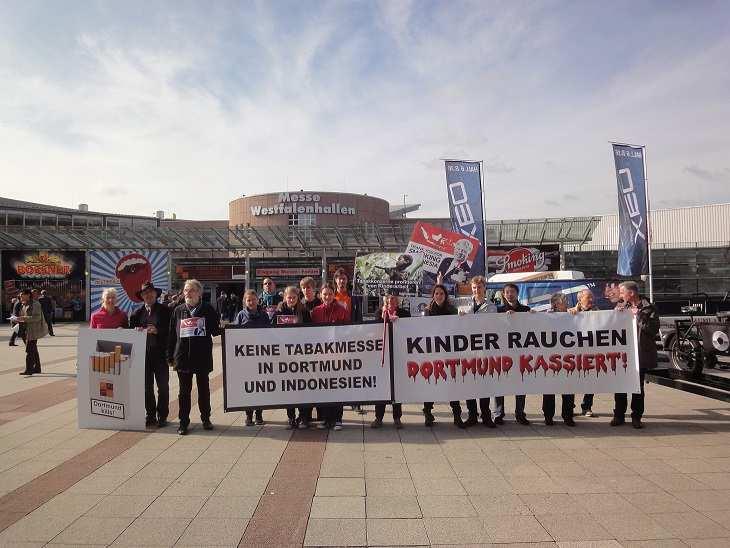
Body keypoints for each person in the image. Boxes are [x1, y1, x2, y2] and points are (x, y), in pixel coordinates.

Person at [168, 279, 222, 435]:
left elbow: (214, 330)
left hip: (202, 356)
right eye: (185, 290)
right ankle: (183, 422)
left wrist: (230, 330)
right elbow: (172, 335)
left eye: (191, 290)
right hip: (183, 356)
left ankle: (206, 418)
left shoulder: (207, 309)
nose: (188, 293)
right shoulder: (178, 310)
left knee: (204, 390)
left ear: (199, 293)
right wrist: (169, 356)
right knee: (184, 392)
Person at [612, 281, 659, 429]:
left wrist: (637, 316)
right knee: (620, 386)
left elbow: (653, 329)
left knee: (637, 387)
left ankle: (636, 417)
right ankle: (618, 416)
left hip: (640, 354)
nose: (620, 295)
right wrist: (615, 315)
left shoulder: (649, 308)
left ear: (631, 293)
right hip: (623, 355)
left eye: (622, 292)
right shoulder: (621, 306)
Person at [422, 284, 467, 428]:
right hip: (432, 354)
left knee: (452, 385)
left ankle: (457, 415)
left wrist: (461, 318)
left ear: (445, 295)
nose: (439, 296)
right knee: (431, 385)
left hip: (449, 353)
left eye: (441, 293)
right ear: (433, 295)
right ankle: (428, 414)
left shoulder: (452, 310)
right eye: (436, 293)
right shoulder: (427, 312)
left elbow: (459, 328)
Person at [129, 282, 171, 428]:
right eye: (145, 293)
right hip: (143, 355)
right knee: (147, 387)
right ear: (141, 296)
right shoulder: (136, 314)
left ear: (156, 294)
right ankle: (151, 415)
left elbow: (172, 332)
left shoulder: (166, 311)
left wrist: (157, 330)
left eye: (151, 292)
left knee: (163, 387)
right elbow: (130, 335)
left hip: (160, 354)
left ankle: (163, 415)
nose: (148, 294)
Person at [272, 286, 313, 428]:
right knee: (288, 389)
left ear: (298, 298)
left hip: (301, 356)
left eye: (294, 297)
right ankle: (291, 417)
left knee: (302, 387)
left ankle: (303, 416)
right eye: (289, 297)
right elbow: (271, 332)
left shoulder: (304, 312)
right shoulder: (278, 312)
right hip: (285, 356)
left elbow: (311, 333)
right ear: (285, 298)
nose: (291, 300)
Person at [312, 283, 349, 430]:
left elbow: (348, 330)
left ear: (334, 295)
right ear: (320, 296)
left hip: (337, 354)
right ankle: (326, 419)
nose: (327, 296)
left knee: (337, 386)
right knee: (324, 387)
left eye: (329, 294)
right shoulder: (315, 311)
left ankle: (338, 418)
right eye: (324, 294)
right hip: (321, 356)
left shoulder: (342, 310)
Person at [461, 276, 498, 428]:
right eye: (474, 288)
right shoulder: (464, 304)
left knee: (483, 383)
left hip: (484, 350)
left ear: (484, 288)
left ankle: (486, 415)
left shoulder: (492, 307)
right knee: (469, 384)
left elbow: (493, 327)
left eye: (479, 287)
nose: (477, 290)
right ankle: (472, 415)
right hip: (468, 350)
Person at [495, 283, 531, 425]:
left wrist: (533, 316)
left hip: (520, 354)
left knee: (520, 384)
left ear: (517, 293)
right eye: (507, 292)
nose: (510, 294)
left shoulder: (525, 310)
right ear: (504, 294)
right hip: (502, 353)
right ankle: (498, 413)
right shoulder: (498, 311)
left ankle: (520, 413)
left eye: (512, 292)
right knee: (499, 383)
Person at [371, 292, 409, 429]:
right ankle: (378, 417)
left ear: (397, 301)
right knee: (382, 387)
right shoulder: (378, 312)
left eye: (393, 298)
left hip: (399, 353)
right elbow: (374, 330)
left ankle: (397, 418)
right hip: (383, 354)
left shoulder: (404, 313)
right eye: (388, 298)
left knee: (396, 387)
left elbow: (410, 330)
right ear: (384, 300)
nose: (390, 301)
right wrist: (383, 319)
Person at [234, 290, 270, 427]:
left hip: (261, 356)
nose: (251, 302)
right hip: (246, 358)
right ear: (245, 301)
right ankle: (248, 415)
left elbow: (270, 333)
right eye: (248, 300)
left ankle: (259, 414)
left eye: (253, 299)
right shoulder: (241, 315)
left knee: (260, 387)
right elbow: (234, 334)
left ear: (258, 300)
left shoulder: (264, 315)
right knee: (248, 387)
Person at [542, 292, 576, 427]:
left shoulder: (571, 314)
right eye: (564, 301)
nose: (567, 303)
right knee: (549, 389)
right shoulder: (546, 315)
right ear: (555, 304)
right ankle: (548, 416)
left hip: (567, 358)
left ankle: (568, 416)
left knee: (568, 388)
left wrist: (575, 313)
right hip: (550, 358)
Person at [570, 289, 599, 418]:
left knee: (590, 381)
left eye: (592, 297)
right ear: (580, 299)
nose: (591, 300)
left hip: (590, 353)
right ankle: (569, 407)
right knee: (572, 380)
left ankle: (586, 406)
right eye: (588, 297)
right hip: (574, 354)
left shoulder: (599, 312)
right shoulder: (570, 312)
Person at [16, 288, 47, 375]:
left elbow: (37, 317)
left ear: (28, 295)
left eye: (22, 295)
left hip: (34, 330)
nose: (20, 296)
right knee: (33, 349)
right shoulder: (24, 304)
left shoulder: (35, 304)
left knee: (29, 350)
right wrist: (17, 319)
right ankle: (37, 368)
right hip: (27, 330)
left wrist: (23, 318)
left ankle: (29, 369)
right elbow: (23, 316)